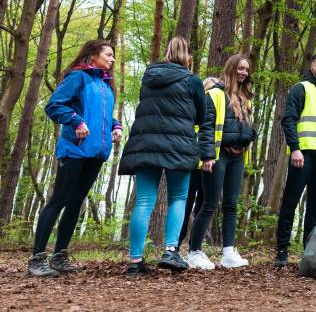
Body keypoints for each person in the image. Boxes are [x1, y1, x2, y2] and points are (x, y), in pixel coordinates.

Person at [27, 40, 122, 277]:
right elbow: (55, 105)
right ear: (93, 56)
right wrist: (76, 121)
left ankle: (60, 256)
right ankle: (37, 259)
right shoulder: (77, 77)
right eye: (108, 55)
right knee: (59, 200)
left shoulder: (106, 84)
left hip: (97, 152)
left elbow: (103, 116)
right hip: (75, 150)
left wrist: (116, 126)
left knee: (76, 202)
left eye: (113, 56)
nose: (112, 59)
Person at [119, 37, 212, 276]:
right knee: (178, 198)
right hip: (178, 145)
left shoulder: (149, 76)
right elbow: (201, 116)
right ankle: (170, 251)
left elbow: (144, 105)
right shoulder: (192, 80)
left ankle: (135, 261)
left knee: (144, 200)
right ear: (187, 56)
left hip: (145, 142)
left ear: (167, 53)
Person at [186, 54, 257, 270]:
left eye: (246, 69)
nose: (243, 72)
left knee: (231, 205)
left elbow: (248, 128)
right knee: (209, 203)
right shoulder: (215, 94)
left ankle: (228, 252)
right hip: (218, 155)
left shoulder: (246, 98)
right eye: (240, 68)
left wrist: (249, 136)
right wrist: (207, 155)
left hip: (238, 157)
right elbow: (206, 127)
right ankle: (194, 252)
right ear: (231, 68)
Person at [274, 53, 316, 267]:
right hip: (303, 156)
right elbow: (289, 120)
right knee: (290, 202)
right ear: (312, 67)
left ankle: (309, 251)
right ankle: (282, 250)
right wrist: (295, 148)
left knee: (315, 207)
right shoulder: (300, 88)